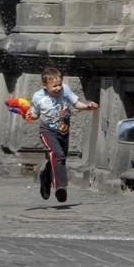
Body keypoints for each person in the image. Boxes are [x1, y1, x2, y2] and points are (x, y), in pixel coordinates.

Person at [26, 67, 98, 203]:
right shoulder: (38, 97)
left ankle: (45, 178)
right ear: (45, 86)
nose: (58, 88)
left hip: (64, 131)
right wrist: (30, 115)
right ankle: (61, 187)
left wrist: (88, 106)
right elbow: (35, 114)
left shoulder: (65, 89)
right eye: (54, 86)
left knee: (60, 158)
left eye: (59, 84)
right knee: (57, 154)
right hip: (47, 131)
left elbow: (76, 104)